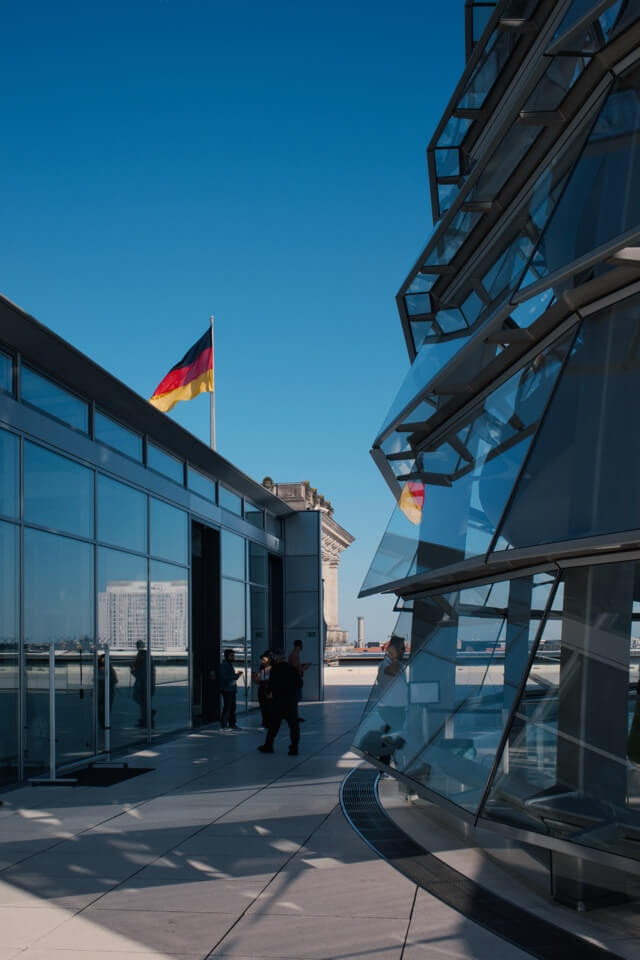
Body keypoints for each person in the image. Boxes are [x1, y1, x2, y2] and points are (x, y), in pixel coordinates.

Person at [258, 649, 300, 756]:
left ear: (276, 657)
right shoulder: (292, 669)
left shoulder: (275, 669)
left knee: (274, 725)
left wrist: (269, 692)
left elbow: (271, 684)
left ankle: (268, 745)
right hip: (291, 701)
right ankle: (294, 748)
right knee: (293, 725)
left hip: (278, 701)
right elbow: (300, 683)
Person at [131, 640, 155, 728]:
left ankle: (145, 718)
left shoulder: (141, 656)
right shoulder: (147, 655)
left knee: (141, 700)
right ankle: (146, 716)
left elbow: (139, 671)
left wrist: (132, 670)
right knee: (143, 701)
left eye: (137, 645)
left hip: (143, 683)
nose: (137, 647)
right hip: (147, 682)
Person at [287, 638, 310, 721]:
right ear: (299, 646)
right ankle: (293, 716)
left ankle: (293, 715)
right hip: (295, 680)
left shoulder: (294, 655)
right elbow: (296, 669)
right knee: (296, 698)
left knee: (296, 698)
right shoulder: (294, 655)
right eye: (301, 646)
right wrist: (305, 667)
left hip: (295, 679)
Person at [219, 648, 242, 730]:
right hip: (227, 690)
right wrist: (236, 675)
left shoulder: (228, 665)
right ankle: (224, 724)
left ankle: (232, 724)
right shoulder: (224, 665)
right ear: (227, 656)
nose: (233, 657)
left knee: (232, 707)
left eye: (233, 655)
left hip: (231, 689)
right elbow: (225, 677)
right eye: (231, 656)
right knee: (228, 707)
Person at [252, 650, 273, 729]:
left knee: (270, 707)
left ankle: (270, 722)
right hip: (262, 688)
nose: (262, 661)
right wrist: (256, 676)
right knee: (263, 706)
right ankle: (265, 722)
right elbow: (256, 681)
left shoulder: (273, 668)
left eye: (264, 659)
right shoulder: (260, 668)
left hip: (270, 688)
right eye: (262, 660)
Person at [97, 653, 118, 729]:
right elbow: (115, 680)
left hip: (104, 692)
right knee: (106, 708)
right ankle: (104, 723)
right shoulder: (109, 668)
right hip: (106, 692)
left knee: (102, 708)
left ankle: (103, 723)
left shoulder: (100, 668)